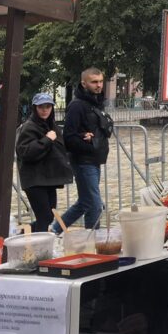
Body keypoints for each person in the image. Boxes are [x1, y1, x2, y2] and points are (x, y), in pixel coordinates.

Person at [53, 67, 113, 232]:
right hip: (83, 161)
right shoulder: (77, 106)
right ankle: (93, 238)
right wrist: (88, 143)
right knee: (94, 205)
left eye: (100, 81)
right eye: (94, 82)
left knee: (85, 202)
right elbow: (69, 137)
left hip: (94, 160)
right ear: (84, 83)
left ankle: (55, 229)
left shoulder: (96, 103)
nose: (98, 85)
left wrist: (94, 140)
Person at [16, 93, 74, 233]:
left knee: (48, 216)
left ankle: (24, 233)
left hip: (48, 178)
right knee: (44, 217)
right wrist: (47, 140)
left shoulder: (51, 126)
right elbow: (25, 152)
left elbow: (62, 146)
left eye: (48, 106)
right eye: (41, 107)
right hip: (34, 179)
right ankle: (39, 244)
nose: (45, 110)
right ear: (35, 108)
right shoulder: (29, 127)